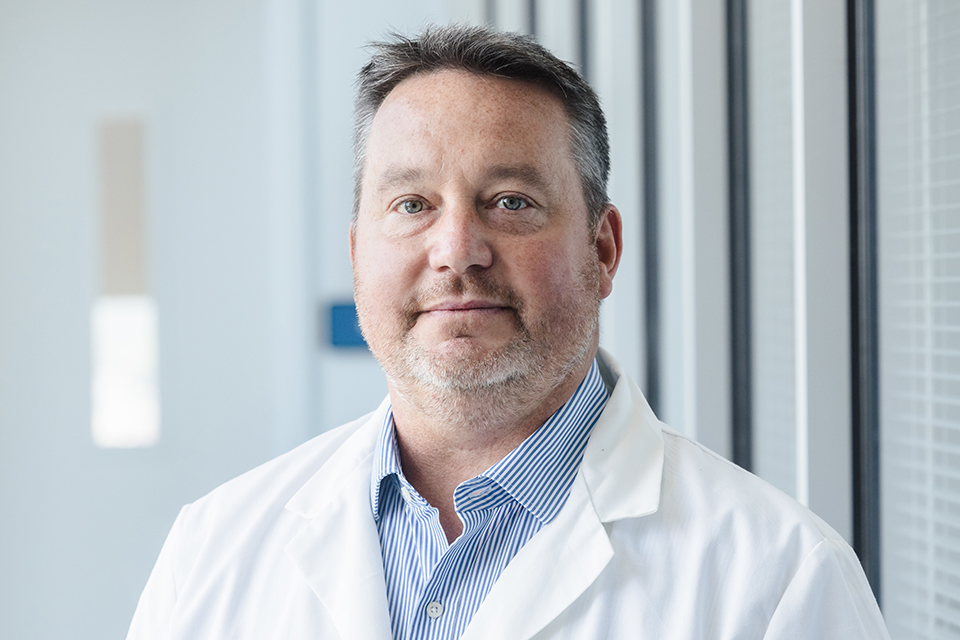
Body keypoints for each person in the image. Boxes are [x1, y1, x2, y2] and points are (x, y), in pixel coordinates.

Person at [127, 24, 890, 639]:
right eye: (411, 204)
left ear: (602, 249)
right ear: (359, 255)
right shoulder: (216, 548)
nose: (457, 249)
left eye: (512, 201)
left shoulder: (778, 582)